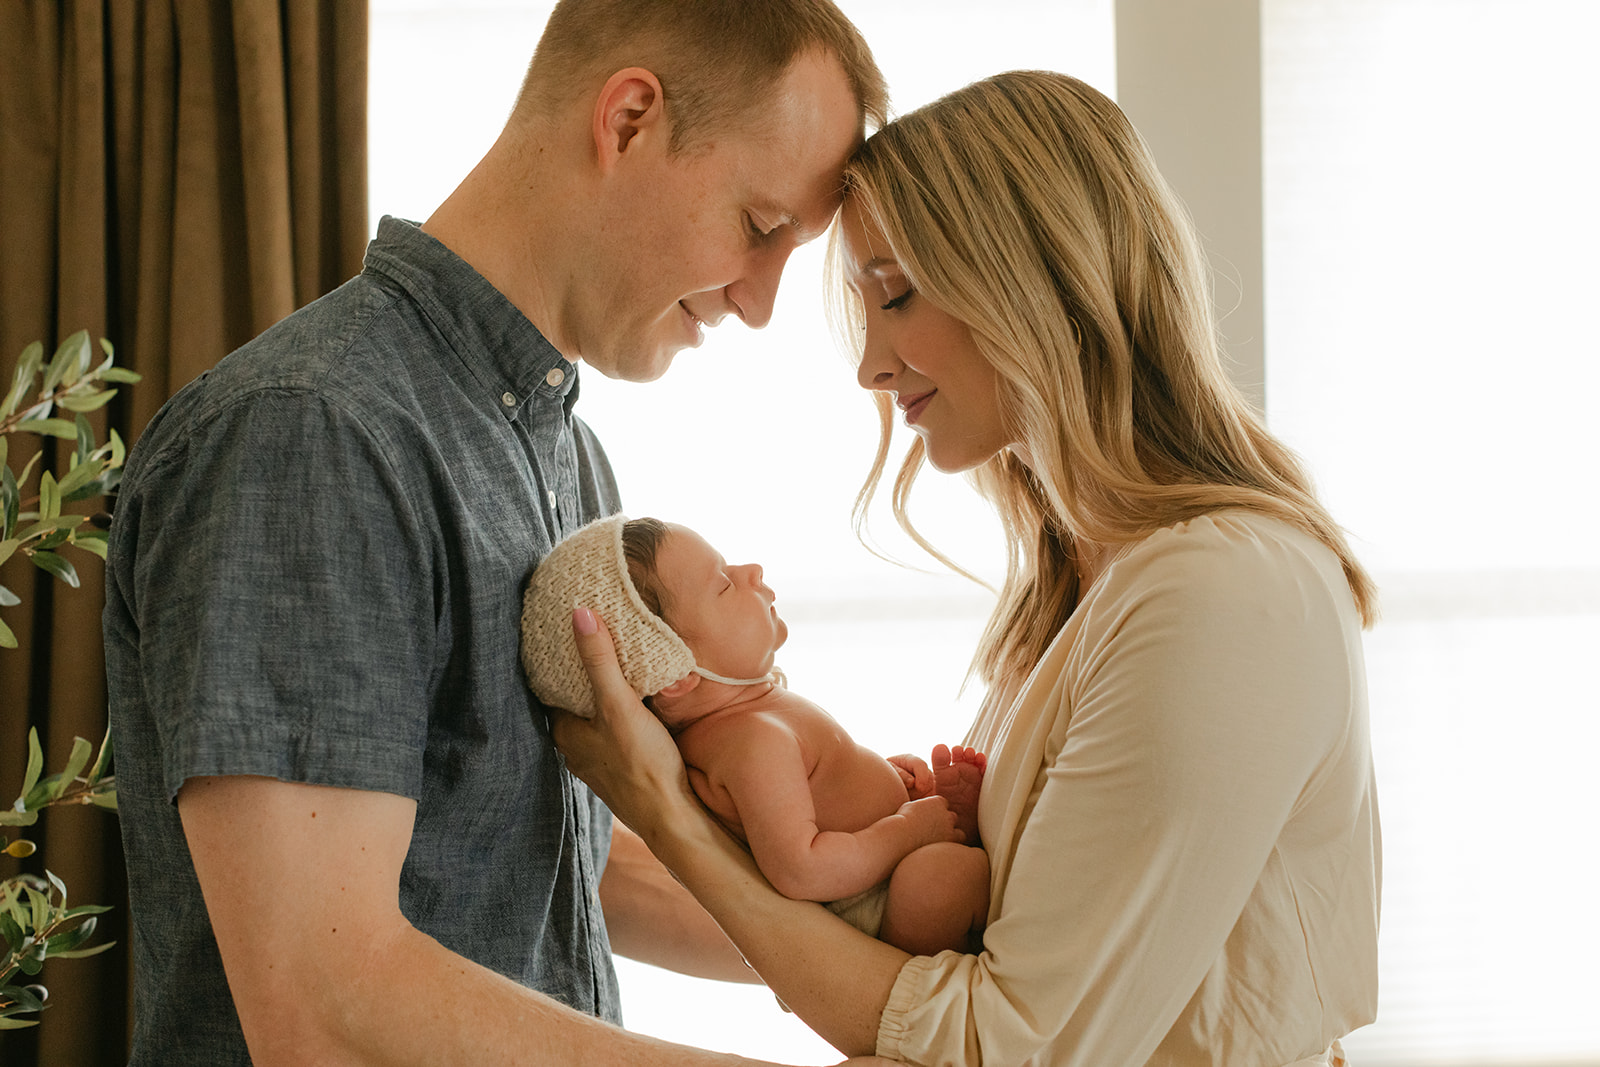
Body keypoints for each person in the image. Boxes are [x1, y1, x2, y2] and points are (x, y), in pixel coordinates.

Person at [101, 2, 898, 1064]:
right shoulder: (313, 432)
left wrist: (941, 965)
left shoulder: (572, 466)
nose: (759, 303)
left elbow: (563, 859)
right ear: (626, 121)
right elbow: (322, 997)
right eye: (759, 229)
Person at [552, 70, 1382, 1067]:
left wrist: (666, 815)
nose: (870, 364)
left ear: (1037, 282)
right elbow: (920, 952)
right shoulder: (1078, 579)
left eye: (895, 294)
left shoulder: (1220, 596)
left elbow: (1005, 1044)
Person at [520, 514, 991, 956]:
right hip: (869, 904)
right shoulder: (752, 743)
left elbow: (812, 800)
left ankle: (955, 837)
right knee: (943, 878)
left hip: (876, 869)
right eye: (724, 583)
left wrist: (885, 784)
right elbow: (801, 869)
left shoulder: (748, 720)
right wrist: (907, 829)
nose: (751, 570)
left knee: (950, 866)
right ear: (677, 673)